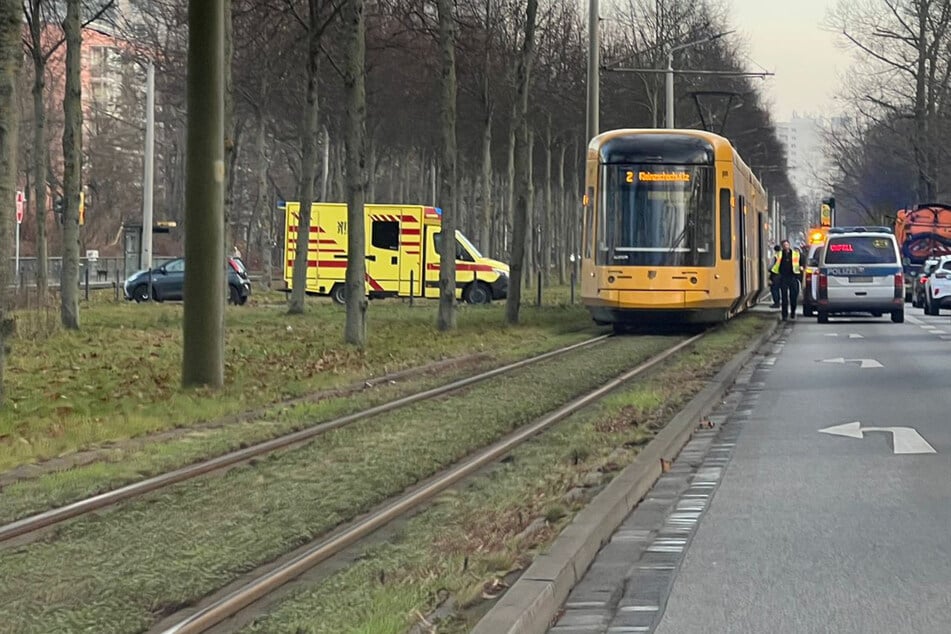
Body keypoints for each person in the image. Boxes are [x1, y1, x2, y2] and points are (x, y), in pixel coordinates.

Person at [770, 239, 801, 321]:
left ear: (789, 245)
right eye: (784, 245)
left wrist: (801, 269)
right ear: (782, 246)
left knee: (793, 297)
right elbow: (774, 265)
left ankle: (793, 312)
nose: (785, 246)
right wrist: (774, 275)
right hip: (783, 277)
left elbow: (801, 263)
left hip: (793, 277)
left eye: (787, 245)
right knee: (784, 298)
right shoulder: (779, 255)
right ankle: (784, 315)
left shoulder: (796, 254)